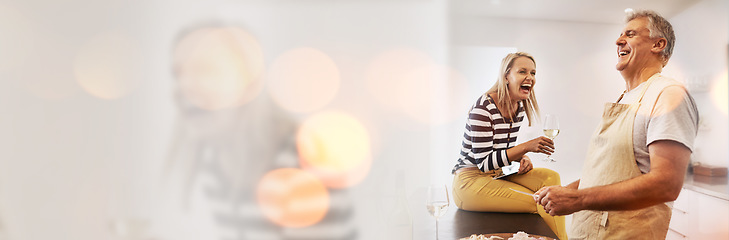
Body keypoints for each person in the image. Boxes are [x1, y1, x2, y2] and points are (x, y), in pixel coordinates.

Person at [534, 10, 699, 240]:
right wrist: (568, 191)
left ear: (658, 44)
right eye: (621, 35)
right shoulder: (625, 97)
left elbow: (666, 184)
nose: (618, 41)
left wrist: (577, 200)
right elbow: (607, 176)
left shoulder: (667, 94)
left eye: (630, 34)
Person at [451, 52, 568, 240]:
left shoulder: (518, 108)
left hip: (496, 175)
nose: (530, 77)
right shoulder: (484, 107)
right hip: (469, 182)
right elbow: (485, 163)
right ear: (506, 76)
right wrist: (525, 147)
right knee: (542, 201)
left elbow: (500, 151)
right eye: (522, 71)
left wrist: (522, 158)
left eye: (533, 73)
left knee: (551, 177)